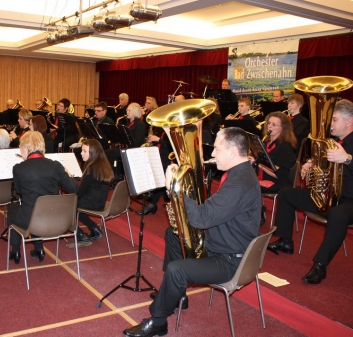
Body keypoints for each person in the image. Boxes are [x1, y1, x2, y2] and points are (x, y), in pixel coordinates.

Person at [123, 127, 261, 337]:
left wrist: (173, 187)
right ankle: (178, 295)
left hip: (231, 261)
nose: (212, 154)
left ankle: (158, 321)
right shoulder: (240, 173)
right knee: (173, 234)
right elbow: (213, 211)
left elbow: (201, 218)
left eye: (216, 149)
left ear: (233, 152)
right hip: (224, 244)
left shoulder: (240, 184)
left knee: (177, 270)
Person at [267, 99, 353, 284]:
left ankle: (320, 265)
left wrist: (347, 159)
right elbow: (323, 166)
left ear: (349, 121)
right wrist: (310, 165)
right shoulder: (332, 142)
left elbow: (346, 162)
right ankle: (285, 241)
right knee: (286, 193)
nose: (331, 124)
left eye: (335, 119)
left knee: (337, 215)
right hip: (329, 196)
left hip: (349, 201)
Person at [7, 131, 79, 264]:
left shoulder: (19, 168)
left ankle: (15, 251)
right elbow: (74, 189)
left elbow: (19, 191)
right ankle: (39, 249)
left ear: (26, 148)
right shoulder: (56, 166)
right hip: (58, 219)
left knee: (13, 208)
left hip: (31, 220)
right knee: (38, 209)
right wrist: (69, 175)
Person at [66, 139, 115, 248]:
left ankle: (81, 235)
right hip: (100, 202)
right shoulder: (103, 165)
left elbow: (79, 193)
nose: (81, 153)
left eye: (84, 151)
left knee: (66, 207)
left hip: (91, 203)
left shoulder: (90, 169)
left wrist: (69, 179)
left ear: (92, 153)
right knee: (75, 205)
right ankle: (95, 229)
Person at [258, 112, 296, 193]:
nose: (269, 126)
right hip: (263, 177)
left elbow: (279, 174)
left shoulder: (285, 147)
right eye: (269, 123)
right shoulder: (265, 142)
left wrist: (260, 164)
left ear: (282, 128)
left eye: (274, 124)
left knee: (246, 186)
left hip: (277, 183)